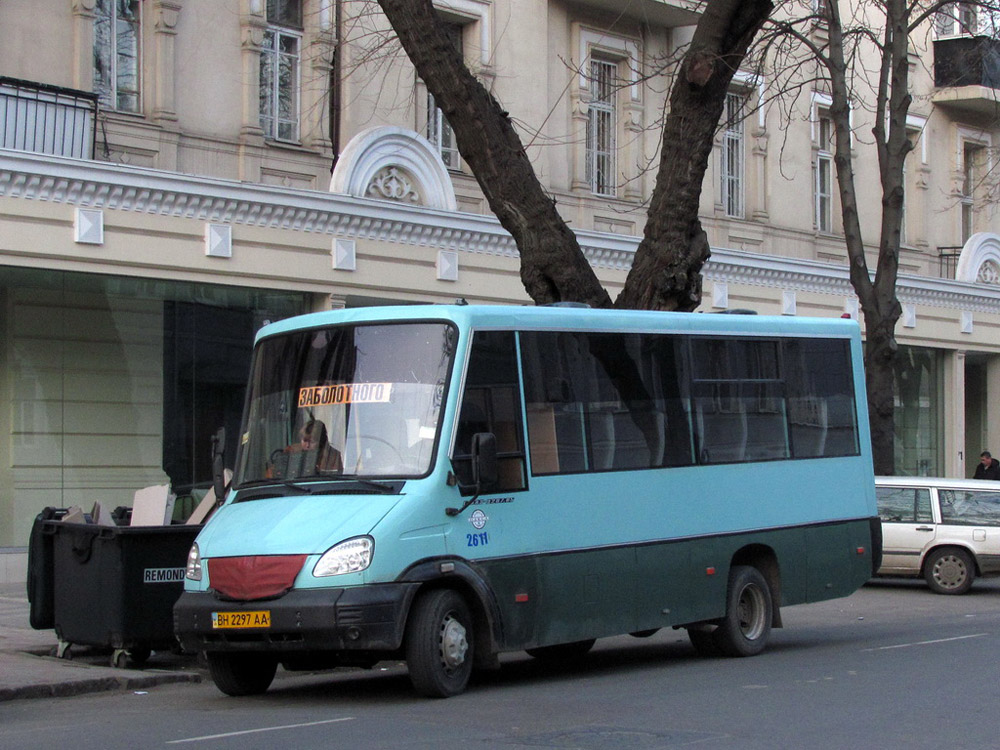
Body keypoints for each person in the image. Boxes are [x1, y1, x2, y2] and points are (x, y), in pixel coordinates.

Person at [273, 420, 343, 477]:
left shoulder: (333, 456)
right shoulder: (292, 452)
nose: (307, 445)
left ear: (322, 442)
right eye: (305, 441)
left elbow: (335, 478)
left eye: (312, 442)